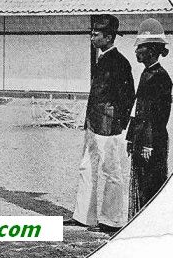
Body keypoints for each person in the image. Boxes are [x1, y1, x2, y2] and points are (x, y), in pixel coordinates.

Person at [64, 14, 135, 234]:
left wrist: (119, 124)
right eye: (92, 33)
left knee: (112, 171)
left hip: (109, 127)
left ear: (109, 37)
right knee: (87, 167)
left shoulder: (120, 62)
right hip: (94, 125)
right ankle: (84, 217)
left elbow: (128, 96)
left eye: (96, 34)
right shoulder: (102, 59)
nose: (92, 38)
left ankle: (112, 220)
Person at [127, 18, 172, 218]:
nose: (137, 52)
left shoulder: (161, 78)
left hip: (152, 142)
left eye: (141, 48)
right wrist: (131, 137)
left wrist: (147, 144)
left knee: (151, 185)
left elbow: (159, 117)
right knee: (140, 183)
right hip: (141, 138)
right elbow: (139, 110)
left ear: (152, 51)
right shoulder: (147, 74)